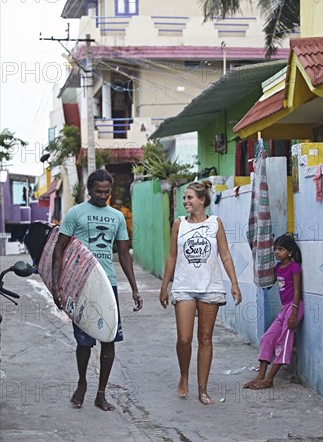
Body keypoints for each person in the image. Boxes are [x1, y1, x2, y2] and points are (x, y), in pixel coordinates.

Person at [52, 169, 143, 411]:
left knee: (109, 340)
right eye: (98, 192)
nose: (103, 196)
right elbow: (59, 250)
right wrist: (56, 285)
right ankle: (82, 382)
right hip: (80, 285)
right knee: (84, 343)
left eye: (107, 192)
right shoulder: (75, 213)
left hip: (107, 285)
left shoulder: (117, 217)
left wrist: (134, 288)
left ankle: (101, 394)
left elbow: (124, 254)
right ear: (89, 191)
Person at [159, 181, 242, 405]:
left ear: (202, 200)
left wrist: (234, 283)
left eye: (190, 198)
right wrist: (165, 286)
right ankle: (184, 375)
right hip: (184, 286)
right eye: (184, 198)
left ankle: (202, 389)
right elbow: (172, 257)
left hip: (210, 288)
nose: (186, 201)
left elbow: (225, 255)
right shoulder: (179, 224)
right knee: (184, 339)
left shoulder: (215, 223)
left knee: (205, 338)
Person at [243, 234, 304, 390]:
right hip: (284, 309)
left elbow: (297, 291)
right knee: (267, 339)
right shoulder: (278, 267)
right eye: (275, 249)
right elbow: (269, 284)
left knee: (283, 342)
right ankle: (260, 377)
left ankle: (269, 379)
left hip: (294, 307)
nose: (277, 252)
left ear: (289, 252)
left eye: (281, 249)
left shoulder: (294, 267)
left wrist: (294, 313)